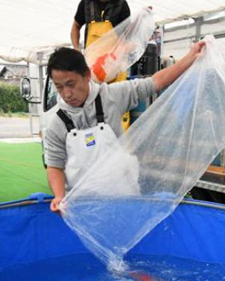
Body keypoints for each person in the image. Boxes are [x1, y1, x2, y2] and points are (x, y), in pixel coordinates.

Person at [43, 42, 206, 213]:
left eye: (71, 84)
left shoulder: (111, 96)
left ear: (86, 75)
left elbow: (155, 82)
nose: (67, 94)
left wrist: (190, 57)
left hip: (124, 198)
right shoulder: (56, 124)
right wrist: (59, 196)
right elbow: (54, 165)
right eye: (59, 87)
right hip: (84, 206)